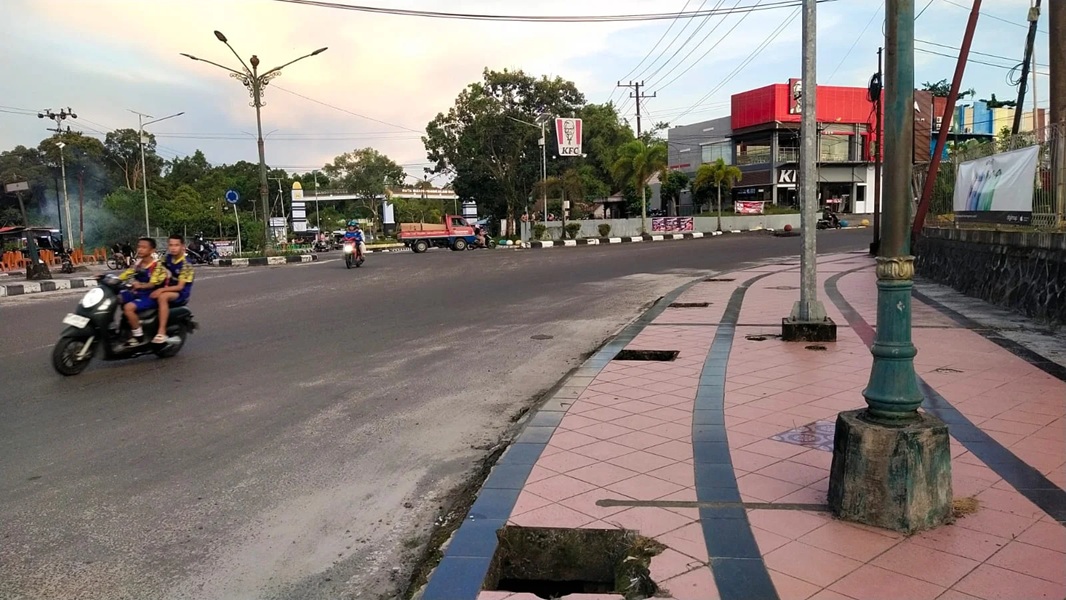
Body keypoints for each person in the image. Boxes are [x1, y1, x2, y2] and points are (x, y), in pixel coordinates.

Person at [117, 237, 167, 347]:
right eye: (139, 247)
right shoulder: (138, 263)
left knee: (128, 308)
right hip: (137, 292)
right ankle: (125, 325)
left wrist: (140, 285)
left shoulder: (156, 266)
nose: (140, 249)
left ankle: (138, 336)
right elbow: (127, 273)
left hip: (150, 296)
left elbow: (152, 284)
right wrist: (113, 279)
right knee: (117, 298)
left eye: (144, 247)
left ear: (152, 251)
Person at [150, 234, 195, 344]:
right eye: (171, 245)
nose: (173, 248)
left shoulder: (186, 264)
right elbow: (156, 268)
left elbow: (180, 286)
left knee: (162, 297)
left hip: (179, 293)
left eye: (176, 245)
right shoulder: (167, 258)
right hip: (167, 287)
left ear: (182, 246)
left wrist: (161, 290)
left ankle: (162, 332)